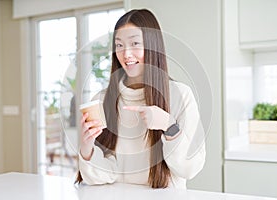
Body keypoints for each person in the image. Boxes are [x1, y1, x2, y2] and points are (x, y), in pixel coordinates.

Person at [75, 8, 206, 189]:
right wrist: (87, 148)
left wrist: (169, 126)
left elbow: (190, 168)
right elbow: (104, 174)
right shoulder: (103, 99)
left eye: (135, 43)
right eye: (119, 45)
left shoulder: (180, 95)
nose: (126, 54)